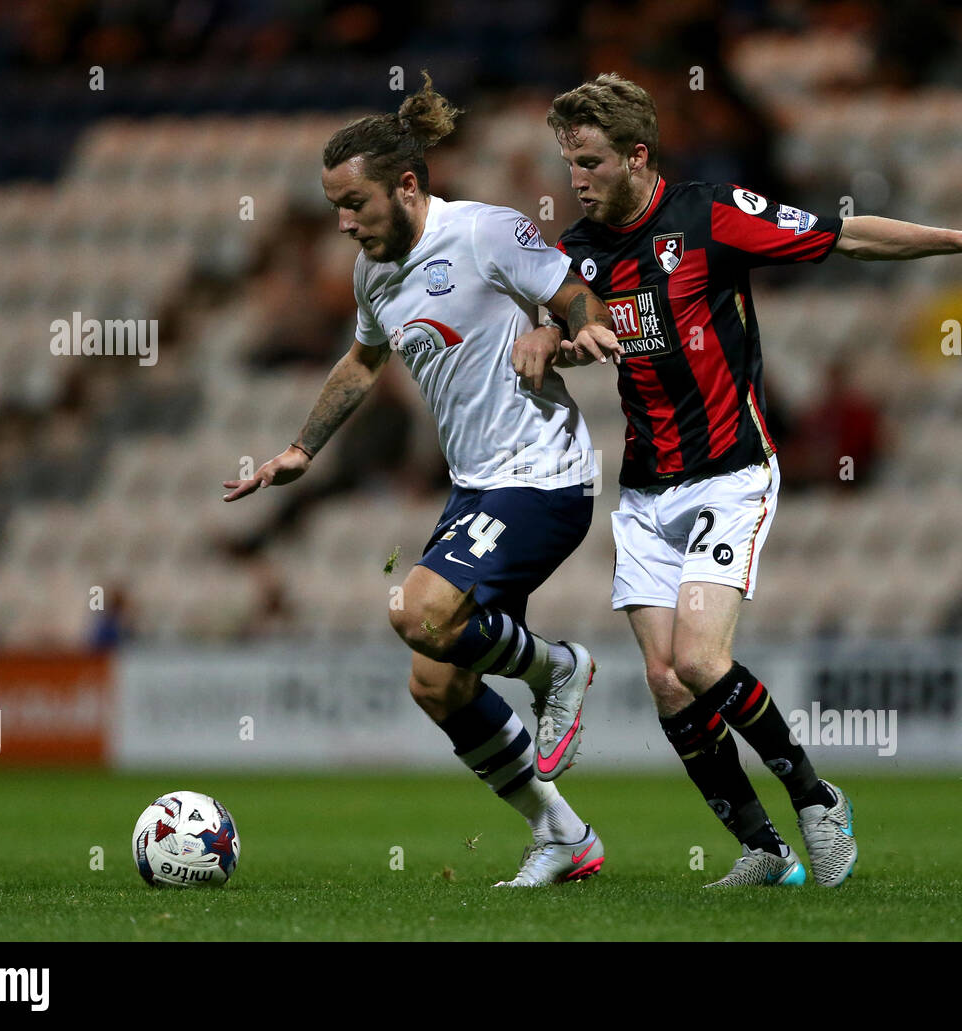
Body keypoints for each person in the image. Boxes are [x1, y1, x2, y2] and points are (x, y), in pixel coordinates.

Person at [531, 73, 962, 887]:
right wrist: (546, 346)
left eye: (589, 162)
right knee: (664, 680)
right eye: (568, 163)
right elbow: (543, 329)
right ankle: (764, 851)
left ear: (636, 155)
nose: (576, 179)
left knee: (699, 660)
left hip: (729, 472)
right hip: (644, 487)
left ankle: (816, 796)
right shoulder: (575, 255)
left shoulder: (710, 215)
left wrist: (961, 239)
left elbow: (845, 236)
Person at [223, 74, 621, 886]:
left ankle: (557, 668)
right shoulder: (376, 271)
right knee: (436, 679)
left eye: (356, 202)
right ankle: (564, 836)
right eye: (335, 205)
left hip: (543, 473)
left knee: (416, 608)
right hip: (477, 486)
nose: (344, 221)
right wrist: (304, 446)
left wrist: (575, 332)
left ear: (407, 184)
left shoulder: (485, 233)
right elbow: (365, 360)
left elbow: (575, 291)